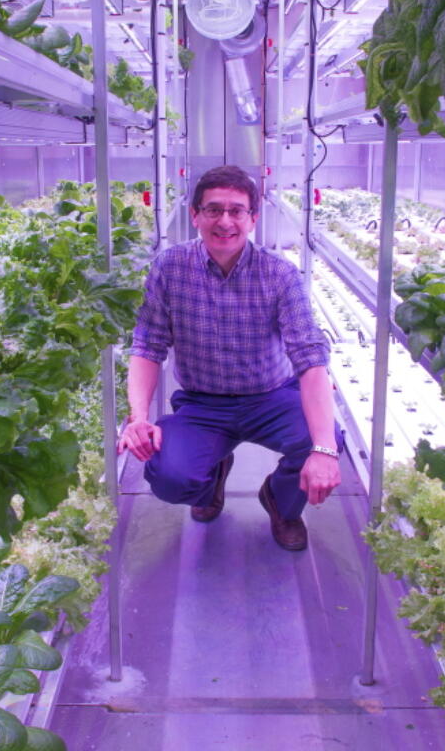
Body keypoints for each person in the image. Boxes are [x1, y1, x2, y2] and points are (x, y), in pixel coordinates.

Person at [117, 165, 343, 551]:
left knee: (324, 440)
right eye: (213, 210)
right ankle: (210, 481)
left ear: (253, 219)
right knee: (172, 477)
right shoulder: (169, 268)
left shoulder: (279, 275)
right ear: (195, 215)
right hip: (203, 403)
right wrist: (138, 418)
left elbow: (310, 358)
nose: (225, 221)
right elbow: (147, 345)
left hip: (270, 396)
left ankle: (281, 503)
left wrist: (324, 449)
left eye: (237, 211)